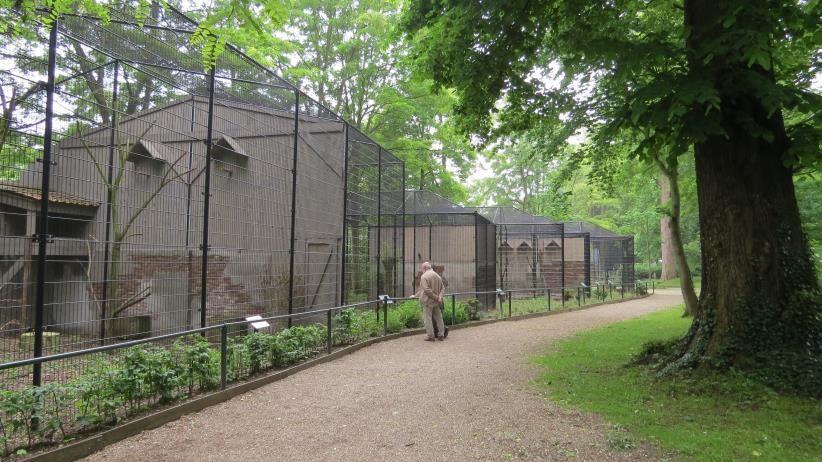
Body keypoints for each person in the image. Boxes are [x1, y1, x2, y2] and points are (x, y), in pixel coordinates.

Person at [415, 261, 446, 341]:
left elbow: (426, 290)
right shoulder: (437, 276)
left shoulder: (424, 276)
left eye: (422, 269)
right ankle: (441, 334)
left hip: (427, 301)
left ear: (425, 268)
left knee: (427, 319)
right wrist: (439, 297)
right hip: (437, 302)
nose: (421, 271)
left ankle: (430, 336)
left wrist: (436, 297)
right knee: (439, 318)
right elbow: (443, 288)